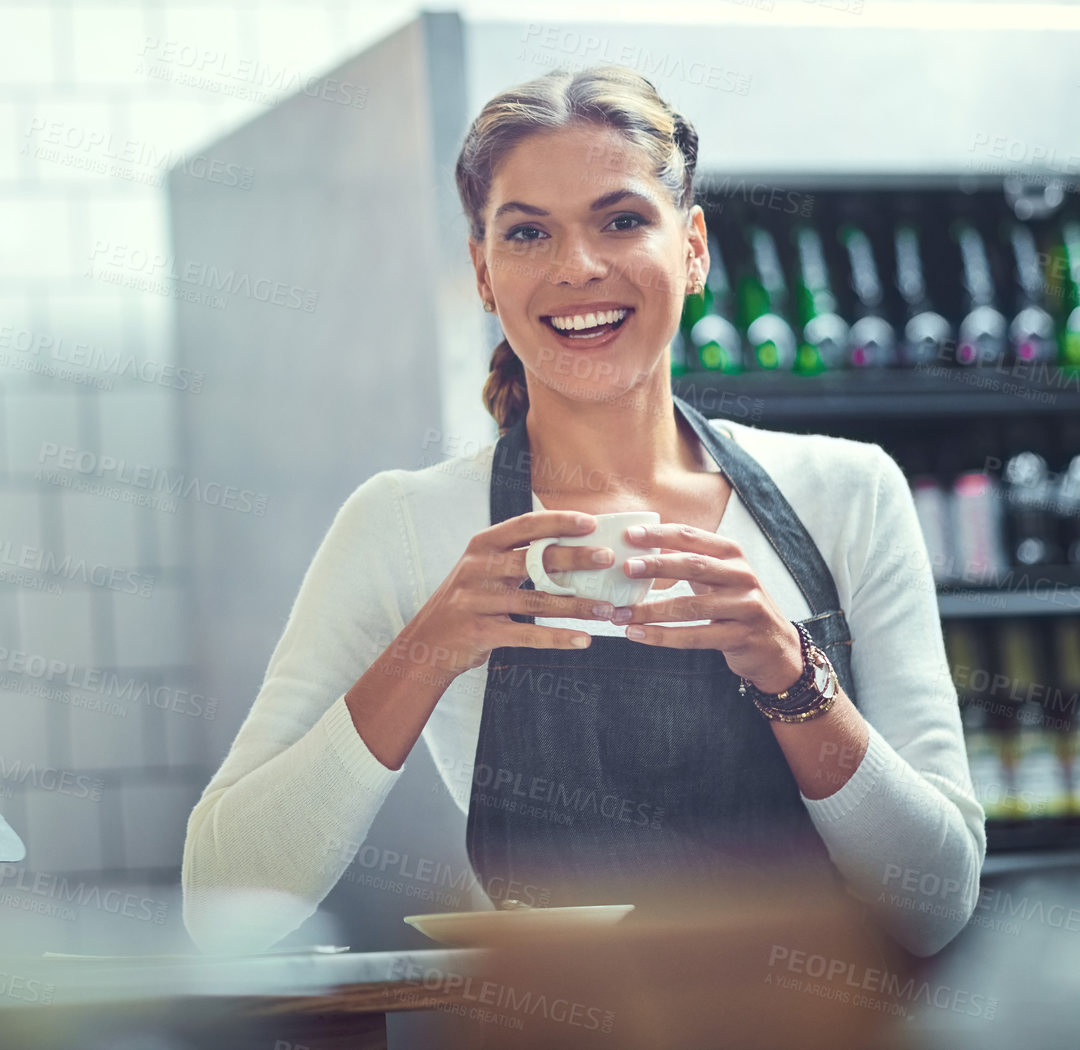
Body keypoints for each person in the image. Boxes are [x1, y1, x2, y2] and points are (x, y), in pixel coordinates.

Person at [180, 66, 983, 959]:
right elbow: (220, 900)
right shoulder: (402, 524)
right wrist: (429, 649)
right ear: (484, 273)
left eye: (623, 219)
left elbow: (937, 904)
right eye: (528, 233)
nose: (578, 267)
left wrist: (791, 677)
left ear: (693, 247)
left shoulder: (847, 491)